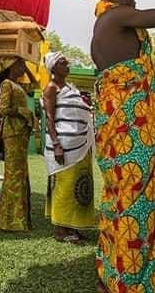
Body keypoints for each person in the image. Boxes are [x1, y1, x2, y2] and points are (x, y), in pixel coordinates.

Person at [89, 0, 155, 293]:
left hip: (119, 122)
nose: (138, 4)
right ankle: (127, 280)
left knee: (119, 194)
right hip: (131, 123)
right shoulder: (118, 14)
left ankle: (111, 271)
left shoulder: (102, 24)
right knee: (135, 195)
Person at [42, 52, 97, 244]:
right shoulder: (51, 88)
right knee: (65, 186)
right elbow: (49, 118)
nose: (67, 65)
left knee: (79, 184)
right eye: (62, 62)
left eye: (67, 62)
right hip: (64, 146)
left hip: (80, 145)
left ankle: (74, 226)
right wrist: (57, 145)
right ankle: (61, 230)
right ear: (53, 67)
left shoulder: (70, 88)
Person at [0, 56, 36, 232]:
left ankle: (20, 219)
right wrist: (22, 111)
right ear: (11, 66)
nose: (23, 68)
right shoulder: (6, 84)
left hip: (21, 134)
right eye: (20, 65)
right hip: (12, 133)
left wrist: (26, 68)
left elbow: (34, 86)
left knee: (21, 174)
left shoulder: (19, 85)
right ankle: (9, 220)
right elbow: (2, 109)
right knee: (13, 175)